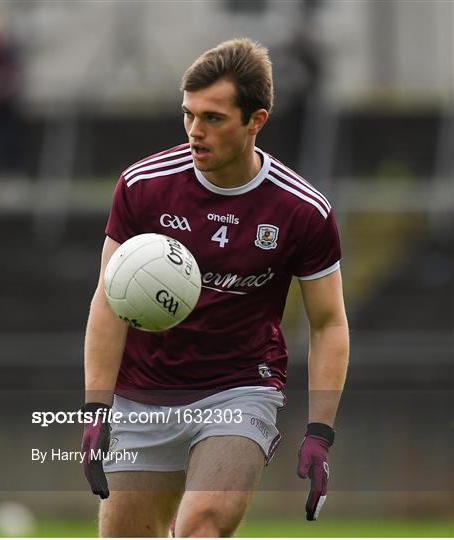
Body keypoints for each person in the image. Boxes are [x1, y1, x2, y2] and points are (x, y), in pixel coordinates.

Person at [81, 38, 349, 537]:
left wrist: (320, 431)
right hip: (144, 392)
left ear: (256, 121)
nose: (195, 132)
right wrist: (97, 407)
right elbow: (109, 298)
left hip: (241, 388)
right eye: (189, 115)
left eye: (214, 118)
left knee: (202, 525)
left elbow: (329, 322)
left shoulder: (302, 211)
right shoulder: (143, 186)